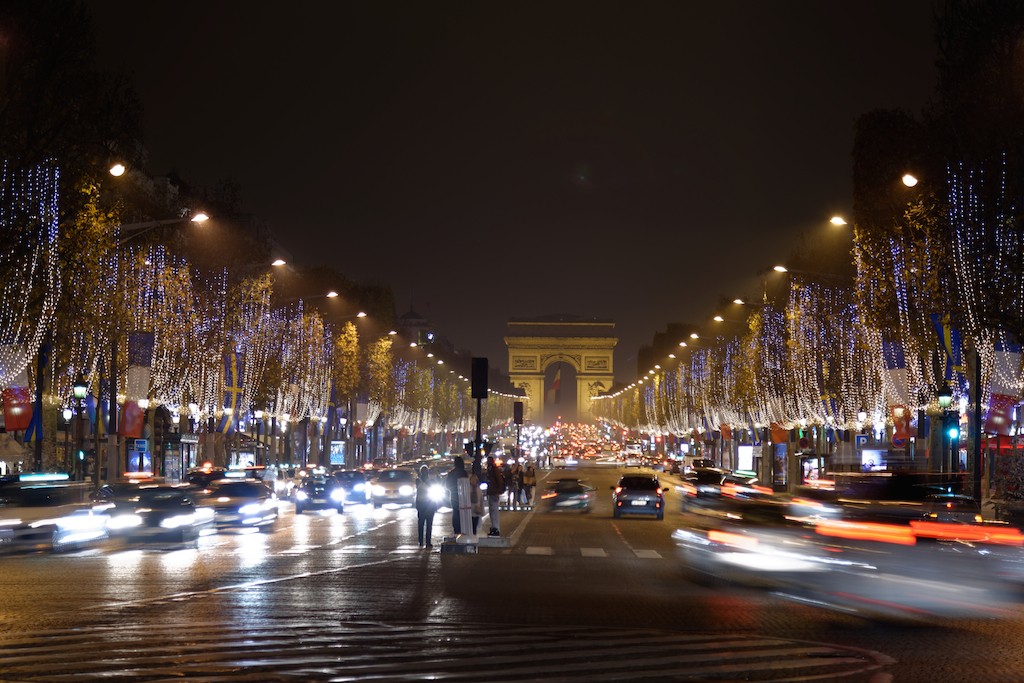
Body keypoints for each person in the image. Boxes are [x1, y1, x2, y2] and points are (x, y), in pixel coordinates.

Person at [415, 465, 437, 548]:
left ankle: (423, 541)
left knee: (424, 524)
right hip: (425, 504)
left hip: (424, 504)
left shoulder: (421, 481)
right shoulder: (419, 481)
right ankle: (425, 542)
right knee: (426, 524)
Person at [445, 456, 468, 534]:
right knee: (463, 512)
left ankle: (456, 530)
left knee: (456, 513)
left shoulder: (451, 473)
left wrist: (453, 489)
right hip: (463, 496)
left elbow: (447, 485)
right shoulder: (464, 472)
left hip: (454, 496)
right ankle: (463, 529)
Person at [486, 456, 505, 536]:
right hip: (492, 492)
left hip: (494, 492)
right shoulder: (491, 469)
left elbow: (499, 480)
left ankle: (496, 528)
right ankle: (494, 527)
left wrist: (498, 490)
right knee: (492, 511)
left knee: (494, 511)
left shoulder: (494, 469)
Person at [469, 459, 484, 535]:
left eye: (475, 480)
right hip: (470, 510)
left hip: (476, 510)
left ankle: (474, 537)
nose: (473, 481)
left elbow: (481, 500)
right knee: (471, 526)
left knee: (475, 526)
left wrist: (482, 510)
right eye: (472, 480)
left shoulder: (478, 489)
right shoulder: (468, 488)